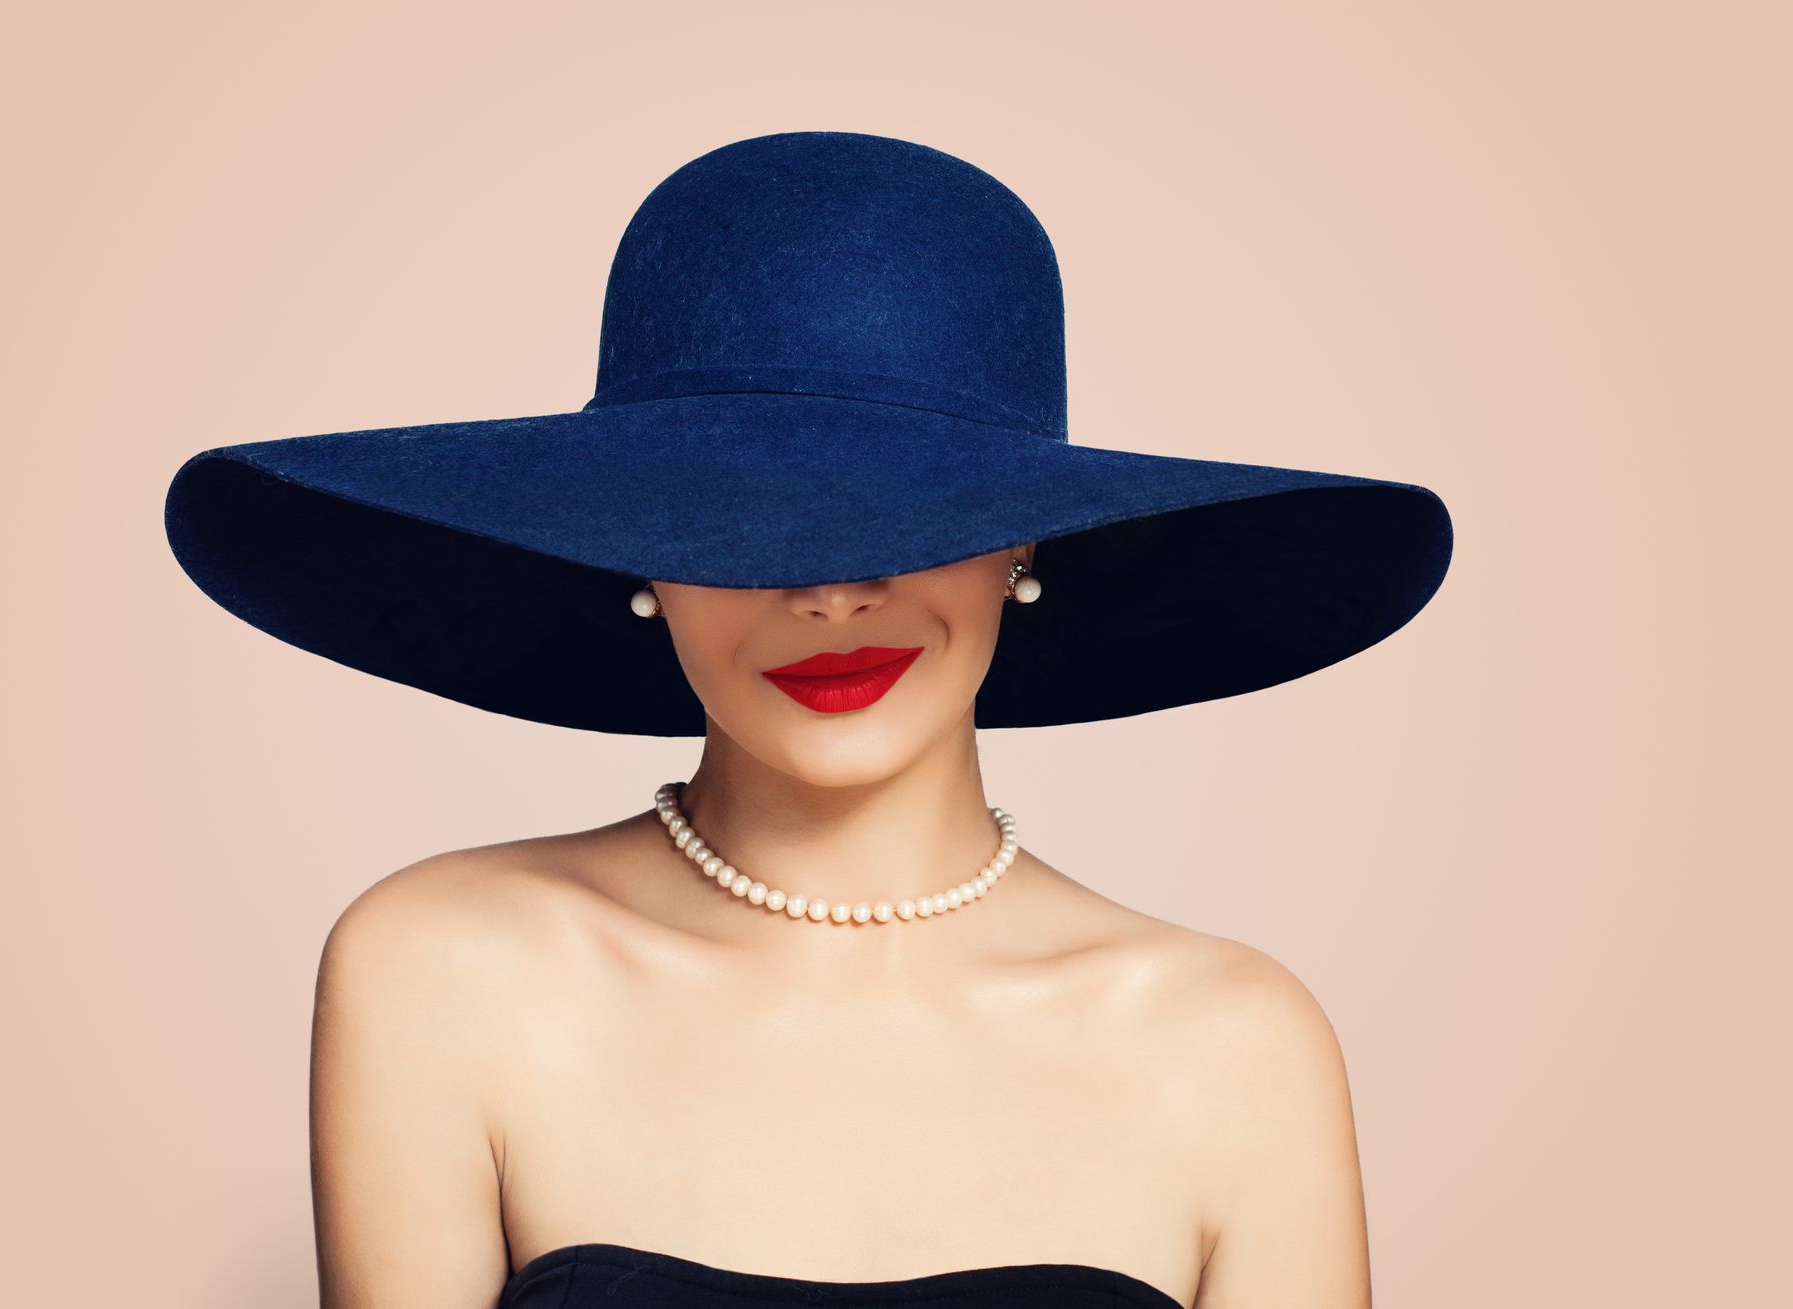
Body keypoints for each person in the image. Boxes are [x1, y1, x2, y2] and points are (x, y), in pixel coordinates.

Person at [163, 131, 1453, 1309]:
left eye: (913, 518)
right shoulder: (447, 971)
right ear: (633, 552)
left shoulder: (1231, 1048)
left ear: (1024, 540)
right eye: (743, 522)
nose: (833, 595)